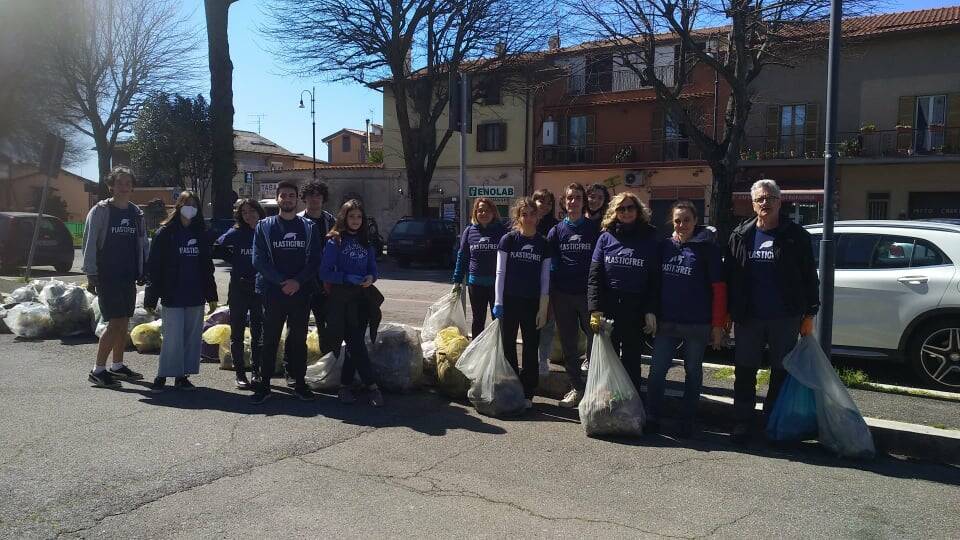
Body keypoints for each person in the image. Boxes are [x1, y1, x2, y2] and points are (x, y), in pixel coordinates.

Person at [726, 179, 819, 443]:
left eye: (770, 198)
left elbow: (809, 276)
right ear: (753, 204)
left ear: (780, 201)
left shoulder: (795, 235)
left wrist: (810, 313)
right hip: (748, 317)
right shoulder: (741, 235)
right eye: (760, 199)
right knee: (744, 371)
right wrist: (727, 313)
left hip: (784, 317)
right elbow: (731, 276)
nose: (765, 203)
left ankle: (772, 421)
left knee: (780, 371)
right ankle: (742, 422)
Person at [646, 200, 727, 437]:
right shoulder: (664, 247)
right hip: (666, 322)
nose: (682, 225)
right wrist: (651, 311)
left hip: (697, 323)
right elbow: (653, 283)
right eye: (677, 220)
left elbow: (719, 289)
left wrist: (717, 326)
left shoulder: (708, 249)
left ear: (695, 222)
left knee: (693, 371)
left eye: (687, 220)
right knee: (657, 370)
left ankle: (687, 420)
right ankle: (652, 416)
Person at [250, 180, 322, 404]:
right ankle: (264, 385)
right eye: (283, 195)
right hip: (272, 292)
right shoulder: (264, 226)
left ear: (296, 199)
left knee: (298, 339)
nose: (287, 199)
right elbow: (258, 260)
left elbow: (314, 261)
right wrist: (283, 282)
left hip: (300, 293)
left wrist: (297, 282)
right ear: (277, 199)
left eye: (291, 195)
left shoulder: (309, 227)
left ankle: (299, 383)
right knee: (269, 339)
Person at [81, 166, 150, 388]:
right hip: (106, 276)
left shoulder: (136, 213)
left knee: (124, 323)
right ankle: (98, 370)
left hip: (128, 276)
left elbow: (142, 243)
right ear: (111, 186)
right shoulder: (100, 211)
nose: (124, 187)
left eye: (128, 183)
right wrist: (91, 273)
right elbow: (89, 243)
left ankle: (118, 366)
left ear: (132, 187)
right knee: (115, 322)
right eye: (119, 183)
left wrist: (143, 269)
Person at [144, 191, 218, 392]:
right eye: (186, 203)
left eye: (194, 204)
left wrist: (211, 295)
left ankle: (182, 376)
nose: (190, 208)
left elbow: (206, 266)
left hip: (195, 294)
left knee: (191, 338)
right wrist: (151, 296)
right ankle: (162, 374)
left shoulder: (200, 233)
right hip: (172, 294)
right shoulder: (165, 233)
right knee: (172, 338)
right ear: (178, 206)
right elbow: (154, 266)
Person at [587, 192, 659, 393]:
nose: (626, 212)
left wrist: (650, 310)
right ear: (614, 212)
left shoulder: (650, 237)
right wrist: (595, 309)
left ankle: (630, 406)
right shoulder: (605, 237)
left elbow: (655, 279)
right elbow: (595, 276)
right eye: (621, 208)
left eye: (630, 208)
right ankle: (605, 405)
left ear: (638, 210)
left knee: (631, 360)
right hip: (609, 308)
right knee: (606, 359)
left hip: (635, 309)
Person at [320, 199, 384, 407]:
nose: (355, 220)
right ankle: (372, 386)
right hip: (341, 300)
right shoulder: (334, 241)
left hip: (362, 299)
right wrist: (346, 277)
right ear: (344, 217)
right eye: (351, 216)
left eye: (359, 217)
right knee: (356, 343)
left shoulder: (366, 241)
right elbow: (324, 272)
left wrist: (370, 278)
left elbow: (373, 268)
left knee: (354, 345)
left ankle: (344, 386)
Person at [494, 197, 552, 409]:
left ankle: (528, 392)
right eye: (524, 214)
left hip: (532, 303)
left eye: (532, 214)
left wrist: (543, 308)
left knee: (530, 347)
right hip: (509, 301)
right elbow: (500, 273)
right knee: (508, 345)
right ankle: (511, 388)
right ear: (518, 217)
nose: (528, 218)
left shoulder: (543, 244)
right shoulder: (508, 240)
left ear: (538, 217)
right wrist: (498, 302)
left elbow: (545, 278)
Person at [546, 183, 600, 408]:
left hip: (588, 294)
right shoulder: (557, 231)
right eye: (569, 198)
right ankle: (577, 388)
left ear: (583, 201)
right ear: (564, 202)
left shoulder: (594, 228)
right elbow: (549, 265)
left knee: (595, 341)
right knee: (569, 344)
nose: (573, 202)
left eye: (577, 198)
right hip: (563, 295)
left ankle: (595, 388)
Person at [215, 199, 266, 390]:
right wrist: (234, 259)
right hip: (239, 287)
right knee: (236, 332)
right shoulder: (236, 232)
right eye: (244, 212)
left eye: (252, 211)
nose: (248, 215)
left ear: (259, 212)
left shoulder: (266, 230)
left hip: (260, 288)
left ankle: (257, 372)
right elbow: (217, 247)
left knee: (258, 331)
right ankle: (240, 374)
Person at [452, 197, 507, 338]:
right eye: (480, 210)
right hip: (476, 285)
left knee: (499, 321)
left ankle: (498, 352)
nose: (483, 213)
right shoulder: (469, 231)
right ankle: (477, 353)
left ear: (493, 213)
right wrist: (457, 280)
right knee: (478, 321)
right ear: (475, 213)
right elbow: (462, 256)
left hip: (497, 285)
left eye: (487, 211)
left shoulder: (502, 231)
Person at [532, 188, 558, 376]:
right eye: (540, 200)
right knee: (529, 322)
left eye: (548, 202)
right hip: (527, 283)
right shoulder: (524, 223)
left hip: (549, 283)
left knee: (547, 323)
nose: (544, 204)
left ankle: (543, 359)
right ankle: (531, 358)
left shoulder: (556, 227)